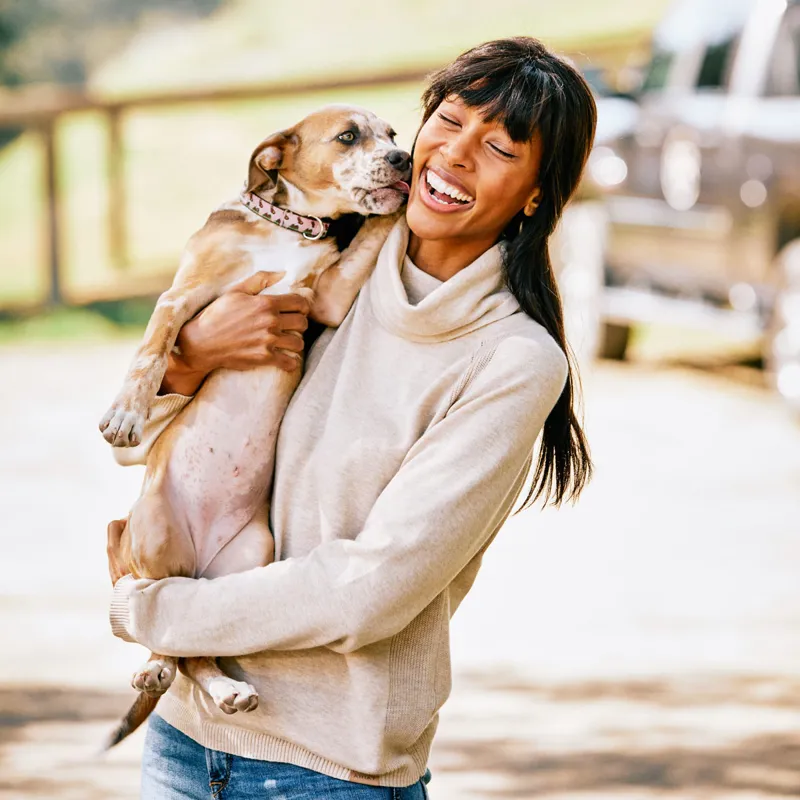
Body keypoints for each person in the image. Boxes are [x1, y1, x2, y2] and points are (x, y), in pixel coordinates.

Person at [107, 36, 596, 799]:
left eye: (499, 146)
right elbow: (137, 451)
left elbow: (368, 591)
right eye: (449, 118)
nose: (455, 154)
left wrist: (160, 614)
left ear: (539, 193)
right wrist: (187, 361)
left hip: (327, 773)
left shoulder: (512, 361)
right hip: (184, 743)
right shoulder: (323, 259)